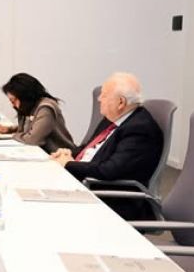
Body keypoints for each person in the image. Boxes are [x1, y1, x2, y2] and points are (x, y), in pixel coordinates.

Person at [51, 72, 163, 219]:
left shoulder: (139, 129)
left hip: (110, 200)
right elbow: (89, 148)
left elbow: (109, 170)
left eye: (104, 95)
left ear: (121, 102)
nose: (99, 99)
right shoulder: (113, 119)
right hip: (86, 183)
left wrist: (68, 164)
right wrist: (68, 153)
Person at [0, 73, 75, 153]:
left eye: (13, 101)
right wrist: (10, 130)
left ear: (24, 97)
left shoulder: (46, 108)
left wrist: (13, 136)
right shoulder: (32, 107)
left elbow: (32, 139)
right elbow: (32, 126)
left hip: (62, 157)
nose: (13, 105)